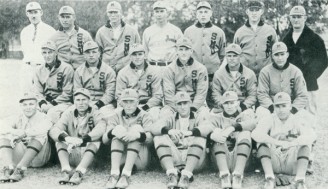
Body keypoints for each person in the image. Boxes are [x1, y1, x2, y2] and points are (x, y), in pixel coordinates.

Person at [252, 92, 316, 189]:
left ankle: (300, 180)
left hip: (292, 160)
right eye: (277, 106)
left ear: (290, 106)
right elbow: (255, 134)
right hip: (275, 159)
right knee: (261, 143)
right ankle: (269, 178)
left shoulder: (297, 119)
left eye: (284, 106)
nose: (281, 109)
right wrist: (277, 142)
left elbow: (311, 136)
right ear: (274, 107)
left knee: (305, 144)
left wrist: (292, 143)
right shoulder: (269, 118)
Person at [151, 91, 211, 189]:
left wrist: (191, 132)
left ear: (190, 103)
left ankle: (186, 175)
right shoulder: (170, 117)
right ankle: (172, 174)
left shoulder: (198, 116)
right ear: (175, 105)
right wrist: (169, 131)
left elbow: (208, 128)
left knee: (200, 137)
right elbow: (154, 127)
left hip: (194, 160)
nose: (183, 107)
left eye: (185, 103)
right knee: (159, 136)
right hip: (174, 159)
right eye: (179, 104)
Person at [49, 88, 105, 185]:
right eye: (78, 100)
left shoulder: (96, 113)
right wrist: (67, 138)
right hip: (72, 151)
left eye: (84, 100)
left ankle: (79, 172)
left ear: (89, 101)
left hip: (88, 155)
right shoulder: (68, 113)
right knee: (59, 139)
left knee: (96, 140)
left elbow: (101, 129)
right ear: (74, 101)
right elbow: (54, 130)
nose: (81, 103)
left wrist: (83, 139)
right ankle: (66, 170)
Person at [102, 88, 153, 189]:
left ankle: (126, 174)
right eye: (125, 101)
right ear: (120, 103)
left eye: (132, 101)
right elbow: (104, 140)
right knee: (117, 130)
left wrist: (138, 135)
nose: (128, 105)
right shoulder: (116, 115)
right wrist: (112, 132)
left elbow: (151, 139)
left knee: (136, 130)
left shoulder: (145, 115)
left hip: (140, 158)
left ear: (137, 102)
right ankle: (114, 174)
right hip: (120, 156)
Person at [282, 5, 328, 116]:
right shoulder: (285, 39)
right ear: (290, 18)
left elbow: (323, 60)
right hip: (290, 82)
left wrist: (311, 74)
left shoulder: (315, 39)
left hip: (309, 82)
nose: (296, 19)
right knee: (291, 112)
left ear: (305, 18)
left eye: (299, 16)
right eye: (294, 17)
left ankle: (310, 132)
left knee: (310, 113)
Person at [0, 92, 52, 183]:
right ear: (21, 106)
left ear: (36, 105)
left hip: (39, 158)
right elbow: (2, 125)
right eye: (25, 105)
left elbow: (44, 128)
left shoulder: (43, 117)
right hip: (21, 155)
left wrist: (24, 133)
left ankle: (21, 169)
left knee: (40, 135)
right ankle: (9, 167)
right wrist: (14, 132)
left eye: (31, 104)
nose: (28, 107)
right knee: (5, 134)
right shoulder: (18, 116)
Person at [208, 91, 256, 189]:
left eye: (232, 103)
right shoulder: (216, 117)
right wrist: (212, 135)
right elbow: (205, 128)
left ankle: (238, 175)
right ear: (222, 104)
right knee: (217, 132)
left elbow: (253, 124)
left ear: (238, 103)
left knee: (245, 133)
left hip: (241, 159)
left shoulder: (245, 114)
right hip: (221, 159)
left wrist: (233, 128)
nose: (229, 106)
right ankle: (224, 174)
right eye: (226, 103)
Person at [184, 1, 226, 109]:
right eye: (200, 12)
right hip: (193, 75)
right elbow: (184, 53)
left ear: (211, 13)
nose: (203, 14)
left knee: (215, 105)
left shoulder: (219, 31)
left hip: (212, 76)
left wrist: (216, 69)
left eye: (206, 12)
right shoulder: (188, 31)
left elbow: (222, 54)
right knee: (194, 105)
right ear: (196, 14)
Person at [257, 42, 308, 117]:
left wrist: (292, 110)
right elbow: (262, 94)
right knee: (261, 112)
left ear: (287, 55)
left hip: (290, 106)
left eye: (282, 54)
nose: (280, 58)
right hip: (272, 106)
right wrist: (272, 108)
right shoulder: (265, 71)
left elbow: (302, 95)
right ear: (272, 56)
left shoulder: (296, 71)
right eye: (276, 55)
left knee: (304, 116)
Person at [162, 37, 209, 118]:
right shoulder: (169, 69)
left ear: (191, 51)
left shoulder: (201, 68)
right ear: (176, 51)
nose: (184, 53)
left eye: (186, 49)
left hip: (195, 103)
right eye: (181, 49)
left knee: (204, 115)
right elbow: (169, 94)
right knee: (165, 114)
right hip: (176, 104)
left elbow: (201, 93)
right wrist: (179, 109)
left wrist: (193, 109)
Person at [116, 44, 163, 121]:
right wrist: (131, 107)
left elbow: (158, 95)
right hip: (129, 104)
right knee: (118, 115)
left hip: (149, 105)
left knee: (154, 115)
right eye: (134, 54)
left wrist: (146, 107)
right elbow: (119, 96)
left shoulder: (154, 71)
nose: (137, 57)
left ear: (145, 55)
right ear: (130, 57)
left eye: (140, 54)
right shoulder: (123, 73)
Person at [33, 40, 74, 124]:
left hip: (63, 103)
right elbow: (37, 92)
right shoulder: (39, 70)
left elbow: (67, 93)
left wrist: (51, 105)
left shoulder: (67, 68)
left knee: (52, 114)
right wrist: (42, 104)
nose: (47, 56)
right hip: (45, 102)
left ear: (56, 53)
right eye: (44, 53)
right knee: (29, 111)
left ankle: (53, 135)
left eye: (50, 52)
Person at [233, 0, 277, 77]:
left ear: (262, 11)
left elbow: (276, 51)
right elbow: (234, 53)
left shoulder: (270, 30)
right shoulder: (239, 32)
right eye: (251, 10)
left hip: (267, 74)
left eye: (257, 10)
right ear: (247, 11)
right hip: (245, 74)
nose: (254, 13)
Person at [95, 1, 141, 72]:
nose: (113, 15)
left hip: (126, 69)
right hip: (107, 69)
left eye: (116, 12)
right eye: (110, 12)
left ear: (121, 13)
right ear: (107, 14)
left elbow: (138, 50)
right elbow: (97, 53)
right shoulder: (101, 32)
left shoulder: (132, 31)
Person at [74, 41, 116, 116]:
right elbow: (77, 91)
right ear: (84, 55)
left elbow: (110, 93)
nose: (91, 55)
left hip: (104, 104)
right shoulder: (79, 71)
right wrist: (85, 104)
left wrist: (97, 105)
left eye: (94, 52)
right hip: (85, 102)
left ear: (99, 54)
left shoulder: (108, 71)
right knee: (71, 113)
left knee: (105, 115)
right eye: (88, 52)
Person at [20, 1, 56, 90]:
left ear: (41, 13)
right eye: (30, 13)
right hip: (27, 68)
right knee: (27, 97)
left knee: (42, 96)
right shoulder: (25, 31)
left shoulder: (50, 31)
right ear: (27, 14)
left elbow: (54, 52)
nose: (33, 16)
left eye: (35, 12)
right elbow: (25, 51)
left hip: (43, 67)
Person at [212, 43, 257, 113]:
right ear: (226, 57)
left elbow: (252, 95)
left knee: (250, 119)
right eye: (229, 56)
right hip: (224, 106)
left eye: (235, 56)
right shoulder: (218, 74)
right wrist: (224, 105)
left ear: (240, 56)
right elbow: (216, 94)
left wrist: (242, 106)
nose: (232, 59)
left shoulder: (249, 74)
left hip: (243, 107)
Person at [50, 6, 93, 70]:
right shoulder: (54, 37)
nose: (65, 20)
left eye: (67, 17)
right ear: (59, 18)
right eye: (62, 17)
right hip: (62, 72)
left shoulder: (85, 34)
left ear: (74, 17)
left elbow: (92, 53)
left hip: (81, 71)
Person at [142, 0, 183, 66]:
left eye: (162, 11)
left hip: (171, 66)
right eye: (157, 12)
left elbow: (181, 51)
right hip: (153, 67)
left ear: (167, 13)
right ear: (153, 13)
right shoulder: (148, 31)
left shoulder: (176, 30)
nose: (159, 14)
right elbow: (144, 52)